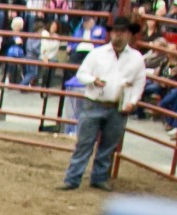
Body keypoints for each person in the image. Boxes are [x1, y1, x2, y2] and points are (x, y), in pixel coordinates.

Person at [61, 14, 145, 190]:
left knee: (107, 145)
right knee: (85, 143)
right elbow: (81, 73)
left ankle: (96, 177)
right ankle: (73, 178)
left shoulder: (136, 58)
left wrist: (134, 101)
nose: (118, 35)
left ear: (129, 34)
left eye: (122, 32)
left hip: (118, 106)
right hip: (95, 101)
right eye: (116, 31)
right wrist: (93, 80)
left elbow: (139, 82)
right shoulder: (97, 54)